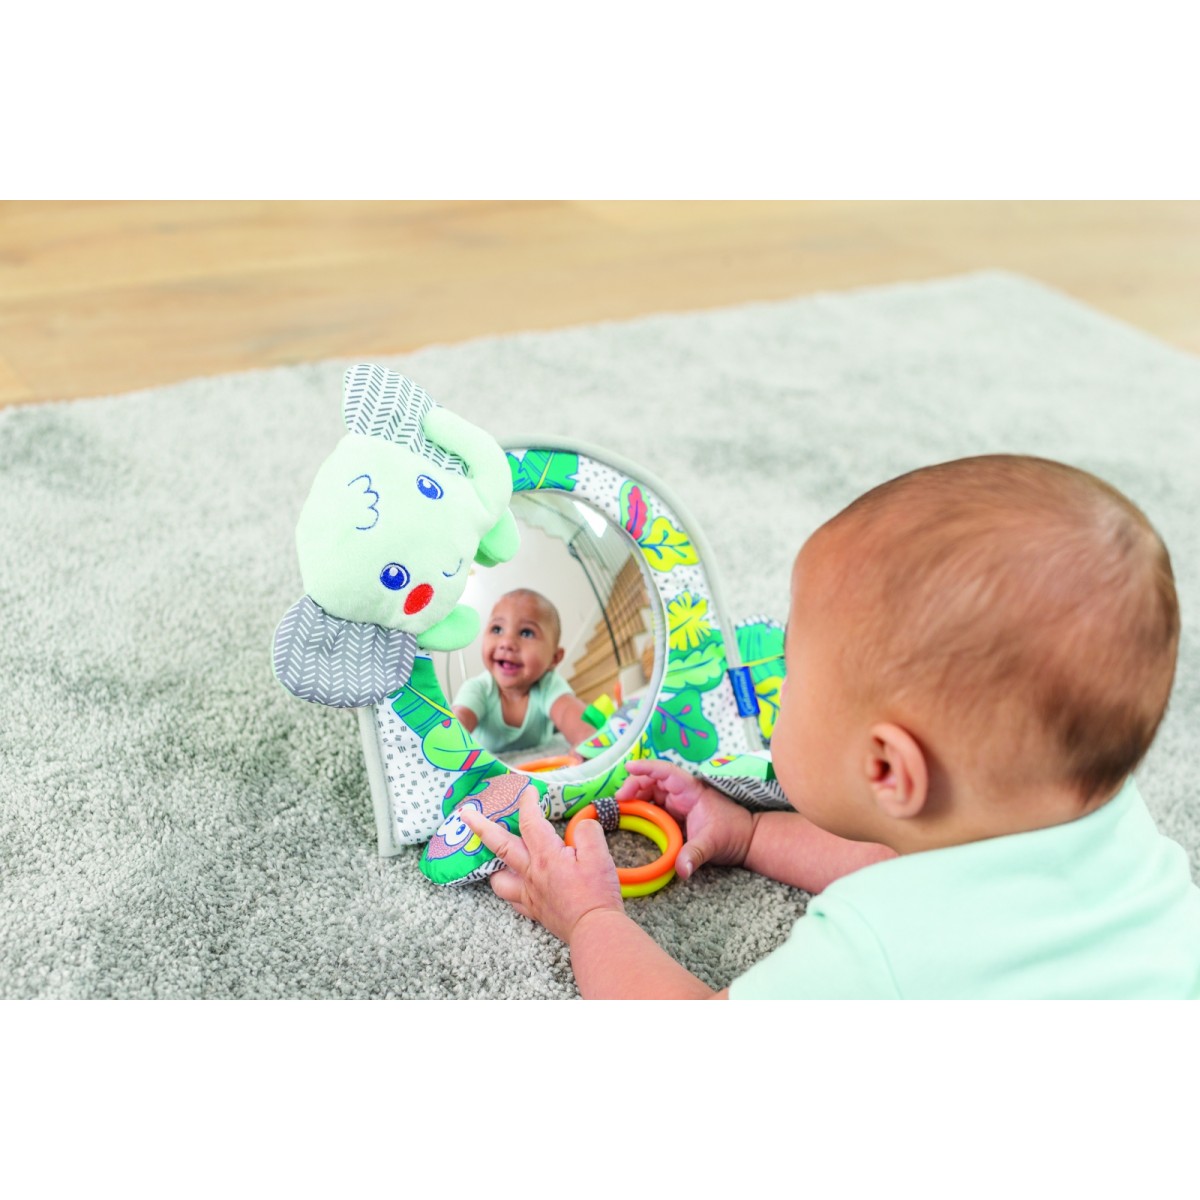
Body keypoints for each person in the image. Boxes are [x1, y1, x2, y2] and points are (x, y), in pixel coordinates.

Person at [462, 455, 1200, 999]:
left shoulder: (876, 948)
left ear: (886, 770)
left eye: (791, 672)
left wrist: (589, 916)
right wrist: (752, 834)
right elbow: (903, 863)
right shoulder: (1109, 827)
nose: (777, 691)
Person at [452, 588, 596, 756]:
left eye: (526, 633)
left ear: (554, 658)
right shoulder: (478, 689)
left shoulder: (548, 685)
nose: (506, 643)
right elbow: (458, 722)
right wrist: (447, 743)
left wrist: (587, 741)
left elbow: (568, 713)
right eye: (497, 629)